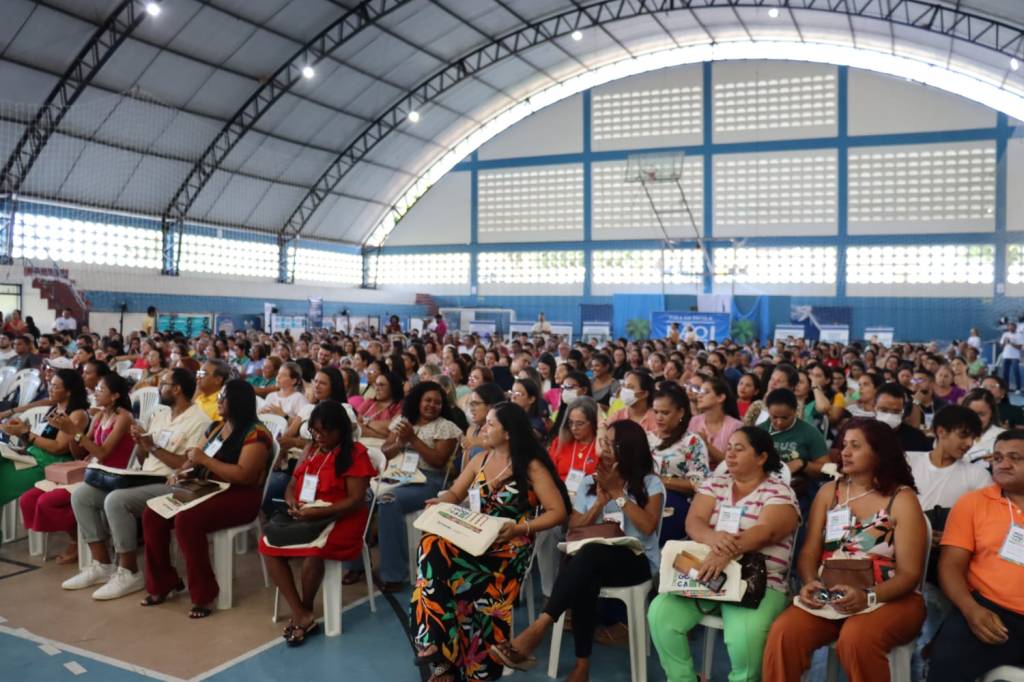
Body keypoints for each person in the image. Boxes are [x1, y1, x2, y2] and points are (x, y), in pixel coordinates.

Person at [493, 420, 665, 681]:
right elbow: (573, 526)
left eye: (611, 443)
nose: (604, 448)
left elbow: (648, 526)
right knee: (588, 566)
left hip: (636, 562)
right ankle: (580, 664)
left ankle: (540, 628)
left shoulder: (650, 483)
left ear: (629, 448)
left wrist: (619, 493)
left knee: (588, 558)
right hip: (594, 560)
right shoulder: (589, 481)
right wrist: (598, 503)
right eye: (603, 442)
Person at [412, 402, 569, 681]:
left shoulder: (530, 467)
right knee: (431, 543)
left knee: (442, 576)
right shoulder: (480, 459)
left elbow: (558, 512)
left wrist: (521, 528)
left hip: (507, 547)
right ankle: (439, 652)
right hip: (474, 539)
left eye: (491, 424)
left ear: (508, 433)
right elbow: (455, 492)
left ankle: (446, 661)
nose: (483, 428)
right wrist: (441, 501)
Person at [762, 419, 928, 682]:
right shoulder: (830, 492)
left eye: (856, 446)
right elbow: (808, 553)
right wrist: (810, 583)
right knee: (785, 632)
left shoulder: (902, 499)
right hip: (832, 595)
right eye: (844, 445)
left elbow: (909, 575)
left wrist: (868, 596)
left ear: (879, 452)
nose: (845, 452)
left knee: (856, 637)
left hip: (890, 598)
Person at [649, 426, 800, 681]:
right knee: (660, 614)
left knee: (744, 641)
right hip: (707, 573)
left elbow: (767, 531)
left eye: (739, 449)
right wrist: (715, 540)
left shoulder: (779, 491)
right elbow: (694, 521)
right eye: (728, 448)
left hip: (756, 581)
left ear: (762, 457)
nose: (729, 454)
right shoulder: (715, 484)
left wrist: (727, 553)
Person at [66, 368, 210, 600]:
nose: (158, 387)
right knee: (82, 495)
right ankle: (102, 565)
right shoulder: (160, 413)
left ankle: (129, 571)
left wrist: (151, 446)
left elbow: (187, 464)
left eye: (163, 383)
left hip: (172, 482)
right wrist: (142, 446)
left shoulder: (200, 421)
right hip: (144, 476)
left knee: (116, 501)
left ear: (177, 389)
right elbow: (145, 459)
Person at [140, 379, 273, 618]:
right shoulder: (215, 428)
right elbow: (193, 460)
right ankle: (164, 582)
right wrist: (180, 474)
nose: (219, 401)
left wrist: (205, 461)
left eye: (224, 397)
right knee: (153, 514)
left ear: (238, 402)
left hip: (240, 496)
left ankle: (204, 593)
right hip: (208, 488)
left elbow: (244, 475)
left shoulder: (257, 433)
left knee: (187, 520)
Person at [259, 401, 375, 646]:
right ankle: (301, 612)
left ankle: (305, 610)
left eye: (326, 432)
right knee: (267, 545)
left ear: (341, 430)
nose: (320, 436)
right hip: (306, 513)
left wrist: (320, 512)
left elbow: (355, 501)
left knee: (314, 552)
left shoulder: (356, 454)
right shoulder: (311, 449)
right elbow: (292, 484)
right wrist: (292, 503)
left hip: (342, 517)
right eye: (315, 431)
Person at [927, 430, 1024, 681]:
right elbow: (950, 566)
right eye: (998, 457)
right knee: (947, 663)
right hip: (990, 610)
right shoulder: (972, 503)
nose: (1003, 464)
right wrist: (971, 610)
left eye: (1015, 457)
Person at [19, 372, 134, 567]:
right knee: (29, 498)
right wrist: (69, 432)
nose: (95, 393)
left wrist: (74, 432)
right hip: (91, 469)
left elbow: (103, 452)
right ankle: (85, 538)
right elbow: (79, 452)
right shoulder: (98, 415)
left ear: (115, 396)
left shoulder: (124, 417)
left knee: (48, 501)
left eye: (100, 389)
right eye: (95, 389)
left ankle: (80, 541)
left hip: (112, 474)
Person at [906, 405, 989, 651]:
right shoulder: (909, 461)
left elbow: (983, 525)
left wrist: (954, 538)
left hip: (949, 556)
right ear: (941, 432)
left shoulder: (977, 475)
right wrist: (921, 533)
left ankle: (936, 646)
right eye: (963, 435)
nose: (969, 443)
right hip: (905, 549)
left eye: (973, 437)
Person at [376, 380, 462, 591]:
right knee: (365, 495)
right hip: (401, 475)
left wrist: (412, 439)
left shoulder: (445, 427)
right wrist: (400, 442)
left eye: (438, 402)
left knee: (389, 500)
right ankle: (357, 565)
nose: (432, 405)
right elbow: (386, 451)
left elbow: (438, 461)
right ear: (418, 401)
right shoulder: (404, 421)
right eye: (428, 400)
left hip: (429, 480)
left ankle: (395, 574)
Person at [0, 369, 90, 516]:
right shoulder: (54, 408)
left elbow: (58, 447)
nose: (50, 389)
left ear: (68, 391)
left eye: (55, 386)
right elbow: (34, 442)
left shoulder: (77, 414)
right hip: (34, 456)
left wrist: (26, 433)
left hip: (52, 463)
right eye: (50, 384)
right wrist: (21, 433)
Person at [536, 396, 600, 601]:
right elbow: (548, 475)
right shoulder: (560, 443)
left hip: (590, 504)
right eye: (570, 422)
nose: (574, 427)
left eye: (580, 423)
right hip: (561, 501)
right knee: (548, 529)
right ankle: (551, 593)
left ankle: (576, 592)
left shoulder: (600, 446)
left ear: (594, 423)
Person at [648, 383, 710, 542]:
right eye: (656, 412)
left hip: (676, 506)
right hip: (643, 501)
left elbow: (700, 483)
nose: (659, 417)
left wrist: (662, 481)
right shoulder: (647, 438)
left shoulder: (691, 441)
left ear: (680, 412)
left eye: (665, 413)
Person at [689, 376, 743, 467]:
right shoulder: (694, 421)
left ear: (721, 397)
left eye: (705, 392)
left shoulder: (735, 426)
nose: (699, 395)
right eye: (699, 392)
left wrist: (706, 444)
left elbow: (733, 461)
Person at [874, 382, 934, 452]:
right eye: (883, 410)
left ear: (903, 410)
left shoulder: (916, 438)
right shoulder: (864, 435)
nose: (889, 415)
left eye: (896, 411)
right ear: (874, 407)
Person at [354, 370, 404, 439]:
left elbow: (393, 429)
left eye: (381, 385)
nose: (377, 388)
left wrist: (366, 422)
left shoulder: (400, 406)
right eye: (376, 385)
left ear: (393, 387)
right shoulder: (369, 402)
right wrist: (380, 431)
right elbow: (354, 422)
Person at [963, 388, 1006, 463]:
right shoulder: (951, 435)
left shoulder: (1004, 437)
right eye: (970, 413)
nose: (975, 419)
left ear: (992, 414)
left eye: (981, 414)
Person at [999, 322, 1023, 392]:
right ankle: (1006, 388)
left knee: (1016, 372)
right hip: (1006, 356)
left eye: (1012, 326)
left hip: (1015, 357)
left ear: (1015, 327)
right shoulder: (1005, 334)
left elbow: (1020, 347)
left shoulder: (1019, 335)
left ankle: (1018, 388)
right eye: (1009, 326)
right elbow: (1001, 346)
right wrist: (1004, 342)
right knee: (1005, 373)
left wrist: (1010, 343)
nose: (1010, 328)